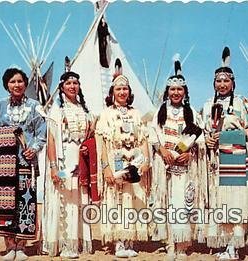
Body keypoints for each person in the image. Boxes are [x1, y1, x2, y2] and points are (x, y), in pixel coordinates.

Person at [0, 68, 46, 261]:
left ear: (25, 84)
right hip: (3, 163)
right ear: (6, 85)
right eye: (12, 82)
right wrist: (9, 134)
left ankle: (22, 246)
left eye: (20, 81)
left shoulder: (35, 106)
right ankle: (9, 246)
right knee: (5, 204)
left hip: (26, 161)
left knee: (25, 202)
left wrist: (33, 148)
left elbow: (42, 131)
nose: (17, 85)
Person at [202, 47, 248, 260]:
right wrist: (206, 140)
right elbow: (202, 131)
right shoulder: (208, 105)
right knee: (219, 201)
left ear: (233, 83)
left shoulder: (242, 103)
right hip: (215, 161)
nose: (222, 84)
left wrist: (228, 137)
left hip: (235, 160)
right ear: (214, 83)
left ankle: (234, 247)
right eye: (218, 81)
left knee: (236, 202)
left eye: (226, 81)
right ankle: (225, 243)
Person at [148, 57, 205, 259]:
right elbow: (153, 134)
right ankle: (170, 243)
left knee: (182, 204)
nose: (176, 93)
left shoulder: (192, 113)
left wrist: (190, 153)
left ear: (185, 92)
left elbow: (201, 139)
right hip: (165, 166)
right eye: (172, 89)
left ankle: (183, 245)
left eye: (179, 89)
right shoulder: (160, 112)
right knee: (167, 203)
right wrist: (162, 150)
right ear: (167, 92)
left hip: (185, 168)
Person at [95, 58, 150, 258]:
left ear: (129, 92)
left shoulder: (136, 114)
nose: (122, 92)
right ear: (112, 93)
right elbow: (101, 143)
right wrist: (106, 167)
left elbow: (143, 139)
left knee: (133, 199)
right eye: (118, 90)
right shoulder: (106, 114)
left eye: (125, 89)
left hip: (134, 160)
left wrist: (146, 161)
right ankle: (119, 242)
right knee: (117, 200)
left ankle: (130, 241)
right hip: (116, 158)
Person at [42, 68, 94, 258]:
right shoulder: (57, 110)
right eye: (68, 84)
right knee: (65, 197)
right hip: (64, 162)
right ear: (62, 88)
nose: (73, 86)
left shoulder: (84, 110)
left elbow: (90, 136)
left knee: (79, 197)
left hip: (81, 160)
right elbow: (52, 140)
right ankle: (64, 244)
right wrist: (54, 167)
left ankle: (76, 242)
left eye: (75, 83)